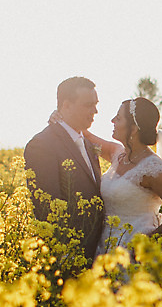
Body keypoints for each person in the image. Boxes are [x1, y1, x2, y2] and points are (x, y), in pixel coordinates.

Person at [61, 96, 162, 257]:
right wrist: (63, 120)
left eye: (118, 118)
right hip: (106, 246)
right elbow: (85, 136)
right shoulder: (117, 154)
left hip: (136, 253)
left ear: (134, 128)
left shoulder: (152, 167)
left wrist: (150, 238)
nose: (112, 121)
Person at [24, 77, 105, 259]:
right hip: (69, 256)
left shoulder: (88, 143)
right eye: (88, 105)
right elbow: (47, 208)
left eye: (96, 104)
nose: (95, 111)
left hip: (98, 253)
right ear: (66, 105)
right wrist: (67, 256)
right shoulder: (42, 145)